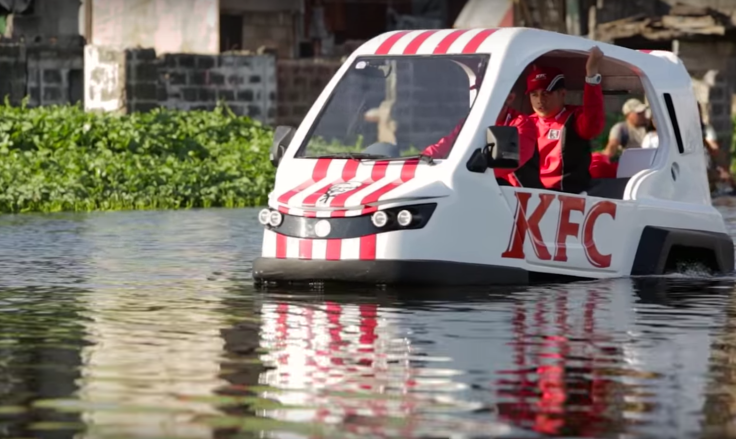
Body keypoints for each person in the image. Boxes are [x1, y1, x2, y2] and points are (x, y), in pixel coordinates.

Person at [526, 47, 606, 193]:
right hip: (531, 195)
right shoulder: (525, 123)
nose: (539, 100)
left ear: (562, 93)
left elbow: (593, 123)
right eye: (534, 95)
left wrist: (591, 75)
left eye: (546, 93)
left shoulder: (574, 118)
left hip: (569, 197)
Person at [422, 90, 540, 188]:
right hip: (477, 185)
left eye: (487, 94)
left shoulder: (521, 123)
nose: (481, 100)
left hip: (517, 194)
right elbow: (446, 145)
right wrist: (420, 161)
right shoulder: (469, 122)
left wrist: (465, 172)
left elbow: (512, 160)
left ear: (509, 98)